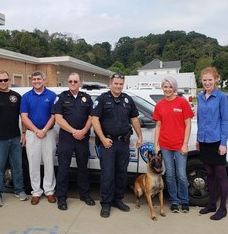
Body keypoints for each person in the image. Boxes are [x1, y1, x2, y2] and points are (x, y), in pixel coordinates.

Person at [91, 73, 142, 218]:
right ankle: (106, 203)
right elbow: (94, 120)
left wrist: (140, 136)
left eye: (121, 84)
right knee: (107, 174)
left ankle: (117, 200)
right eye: (116, 83)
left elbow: (134, 118)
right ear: (110, 83)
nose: (118, 86)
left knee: (121, 173)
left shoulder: (128, 99)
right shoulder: (102, 99)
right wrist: (102, 139)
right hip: (108, 143)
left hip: (123, 143)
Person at [0, 71, 27, 208]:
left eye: (5, 80)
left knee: (17, 167)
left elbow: (23, 116)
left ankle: (19, 190)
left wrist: (24, 133)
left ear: (9, 80)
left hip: (15, 138)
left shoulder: (16, 96)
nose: (3, 82)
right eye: (0, 80)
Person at [52, 73, 95, 210]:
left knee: (83, 168)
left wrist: (83, 131)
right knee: (63, 168)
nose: (73, 83)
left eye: (75, 81)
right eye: (70, 81)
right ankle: (62, 198)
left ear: (80, 83)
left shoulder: (86, 98)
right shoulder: (61, 98)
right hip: (67, 139)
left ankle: (85, 194)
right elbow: (58, 118)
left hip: (82, 138)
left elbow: (91, 117)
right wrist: (73, 131)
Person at [152, 77, 194, 213]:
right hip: (165, 145)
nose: (168, 89)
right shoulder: (159, 105)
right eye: (165, 86)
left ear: (174, 88)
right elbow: (158, 126)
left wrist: (185, 144)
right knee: (169, 174)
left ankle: (184, 200)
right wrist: (156, 144)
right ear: (162, 88)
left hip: (180, 145)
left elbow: (188, 124)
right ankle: (175, 201)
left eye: (170, 87)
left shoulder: (182, 102)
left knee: (181, 174)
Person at [196, 67, 228, 221]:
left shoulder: (222, 97)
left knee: (221, 174)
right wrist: (198, 138)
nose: (207, 82)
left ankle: (223, 208)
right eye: (205, 80)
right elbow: (200, 120)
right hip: (204, 141)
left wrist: (223, 143)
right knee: (209, 172)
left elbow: (225, 121)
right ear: (201, 81)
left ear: (216, 79)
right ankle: (211, 204)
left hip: (217, 142)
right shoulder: (200, 97)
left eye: (210, 79)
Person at [20, 70, 57, 205]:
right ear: (32, 81)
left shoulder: (52, 96)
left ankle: (49, 191)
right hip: (32, 134)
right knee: (33, 163)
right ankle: (36, 191)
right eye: (34, 79)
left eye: (39, 79)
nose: (36, 81)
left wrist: (44, 130)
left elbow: (54, 116)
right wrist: (37, 131)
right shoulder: (26, 96)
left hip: (49, 133)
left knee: (49, 163)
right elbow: (24, 117)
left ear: (44, 80)